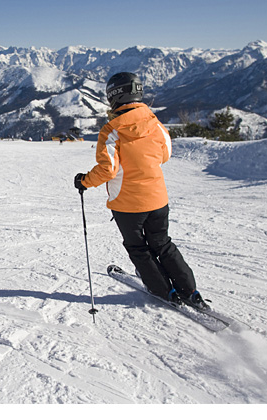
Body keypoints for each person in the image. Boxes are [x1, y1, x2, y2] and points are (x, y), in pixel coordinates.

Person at [74, 72, 208, 309]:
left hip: (127, 205)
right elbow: (165, 154)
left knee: (138, 248)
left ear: (113, 96)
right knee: (163, 244)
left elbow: (108, 170)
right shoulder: (155, 123)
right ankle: (190, 291)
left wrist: (84, 181)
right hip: (158, 200)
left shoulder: (112, 131)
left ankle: (163, 291)